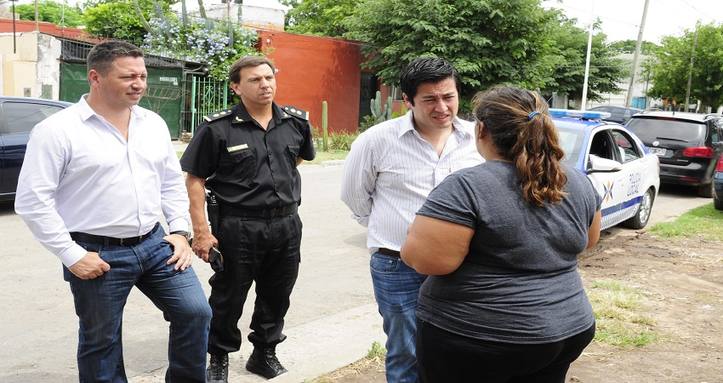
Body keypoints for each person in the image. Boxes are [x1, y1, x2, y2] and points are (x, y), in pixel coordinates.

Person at [14, 41, 212, 382]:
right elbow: (32, 201)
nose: (139, 83)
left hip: (154, 244)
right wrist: (71, 254)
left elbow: (168, 181)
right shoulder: (57, 130)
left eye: (143, 75)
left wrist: (180, 231)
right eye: (128, 76)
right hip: (95, 251)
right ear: (95, 77)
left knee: (195, 312)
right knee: (100, 339)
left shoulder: (152, 124)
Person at [401, 86, 603, 383]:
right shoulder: (576, 180)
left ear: (481, 129)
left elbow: (429, 262)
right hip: (567, 329)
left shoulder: (466, 186)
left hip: (480, 337)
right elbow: (589, 240)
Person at [340, 57, 483, 383]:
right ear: (408, 100)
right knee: (406, 351)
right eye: (430, 99)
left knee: (460, 347)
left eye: (449, 97)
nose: (442, 107)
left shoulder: (478, 138)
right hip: (398, 266)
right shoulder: (377, 141)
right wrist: (394, 229)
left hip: (465, 266)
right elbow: (355, 197)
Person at [180, 55, 315, 382]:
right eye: (255, 80)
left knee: (278, 291)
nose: (265, 84)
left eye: (269, 77)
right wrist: (201, 232)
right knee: (229, 295)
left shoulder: (295, 122)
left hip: (286, 224)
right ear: (236, 86)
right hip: (238, 226)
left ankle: (264, 353)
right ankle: (219, 357)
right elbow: (195, 180)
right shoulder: (217, 128)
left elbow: (295, 159)